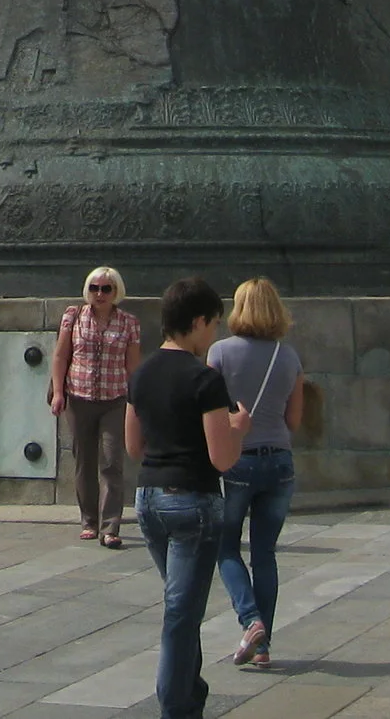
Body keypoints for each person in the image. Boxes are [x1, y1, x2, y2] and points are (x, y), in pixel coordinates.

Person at [126, 277, 250, 719]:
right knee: (181, 613)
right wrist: (239, 430)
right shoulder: (204, 379)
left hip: (148, 500)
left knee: (182, 603)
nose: (214, 333)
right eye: (214, 323)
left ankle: (190, 691)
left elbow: (133, 446)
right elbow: (221, 459)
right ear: (197, 322)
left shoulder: (140, 374)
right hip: (193, 502)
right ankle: (176, 707)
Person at [208, 278, 303, 672]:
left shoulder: (220, 353)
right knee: (265, 553)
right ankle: (263, 648)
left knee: (226, 548)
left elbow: (209, 412)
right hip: (280, 460)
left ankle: (251, 621)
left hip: (237, 461)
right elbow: (294, 420)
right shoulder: (289, 356)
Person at [51, 264, 140, 548]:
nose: (99, 294)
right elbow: (61, 356)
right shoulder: (73, 317)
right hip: (79, 397)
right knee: (84, 461)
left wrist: (136, 399)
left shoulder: (128, 322)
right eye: (94, 288)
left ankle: (111, 525)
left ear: (116, 292)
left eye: (106, 289)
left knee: (112, 460)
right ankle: (88, 520)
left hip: (114, 399)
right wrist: (58, 393)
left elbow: (133, 365)